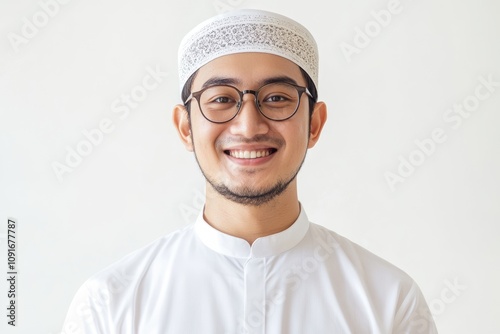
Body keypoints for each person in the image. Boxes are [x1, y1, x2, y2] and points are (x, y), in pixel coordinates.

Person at [63, 9, 438, 334]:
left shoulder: (389, 302)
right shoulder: (111, 304)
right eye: (221, 99)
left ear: (314, 124)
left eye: (276, 98)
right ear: (185, 127)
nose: (248, 125)